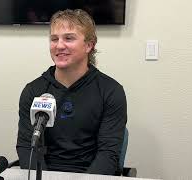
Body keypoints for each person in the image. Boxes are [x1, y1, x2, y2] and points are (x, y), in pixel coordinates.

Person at [16, 9, 127, 175]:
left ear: (89, 45)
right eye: (54, 39)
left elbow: (108, 154)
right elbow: (26, 146)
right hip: (44, 174)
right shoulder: (33, 91)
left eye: (69, 38)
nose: (59, 45)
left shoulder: (110, 91)